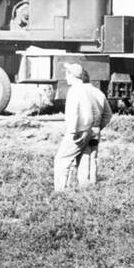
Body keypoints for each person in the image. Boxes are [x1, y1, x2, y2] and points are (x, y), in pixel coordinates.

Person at [54, 62, 113, 191]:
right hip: (92, 130)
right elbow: (107, 114)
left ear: (72, 75)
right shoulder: (92, 91)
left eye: (67, 73)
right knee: (87, 158)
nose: (66, 76)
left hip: (78, 131)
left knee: (61, 160)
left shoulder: (75, 90)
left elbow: (74, 114)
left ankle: (60, 191)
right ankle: (87, 189)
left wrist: (73, 132)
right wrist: (96, 128)